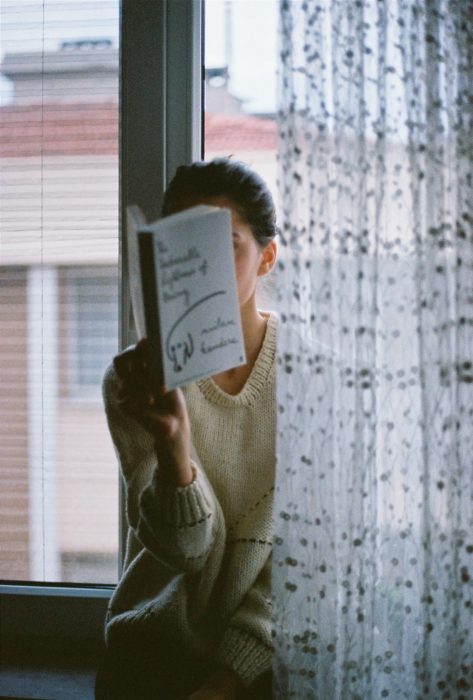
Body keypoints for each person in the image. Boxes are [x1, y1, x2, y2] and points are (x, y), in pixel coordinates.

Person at [95, 158, 278, 700]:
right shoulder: (135, 379)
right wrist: (175, 446)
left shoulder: (317, 378)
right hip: (153, 645)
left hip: (269, 653)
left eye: (228, 244)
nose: (206, 265)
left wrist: (227, 679)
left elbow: (304, 564)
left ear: (267, 257)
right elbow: (184, 553)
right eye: (185, 245)